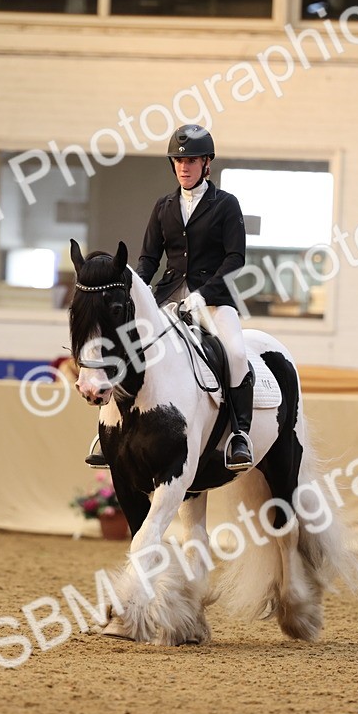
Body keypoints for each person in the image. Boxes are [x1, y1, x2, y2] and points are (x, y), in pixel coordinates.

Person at [85, 124, 253, 471]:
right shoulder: (164, 206)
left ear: (207, 164)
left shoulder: (225, 205)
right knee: (125, 348)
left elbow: (235, 258)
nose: (184, 167)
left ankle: (239, 434)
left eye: (191, 161)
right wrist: (135, 288)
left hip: (214, 299)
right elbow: (148, 259)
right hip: (167, 296)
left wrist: (205, 293)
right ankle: (107, 430)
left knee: (236, 353)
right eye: (178, 161)